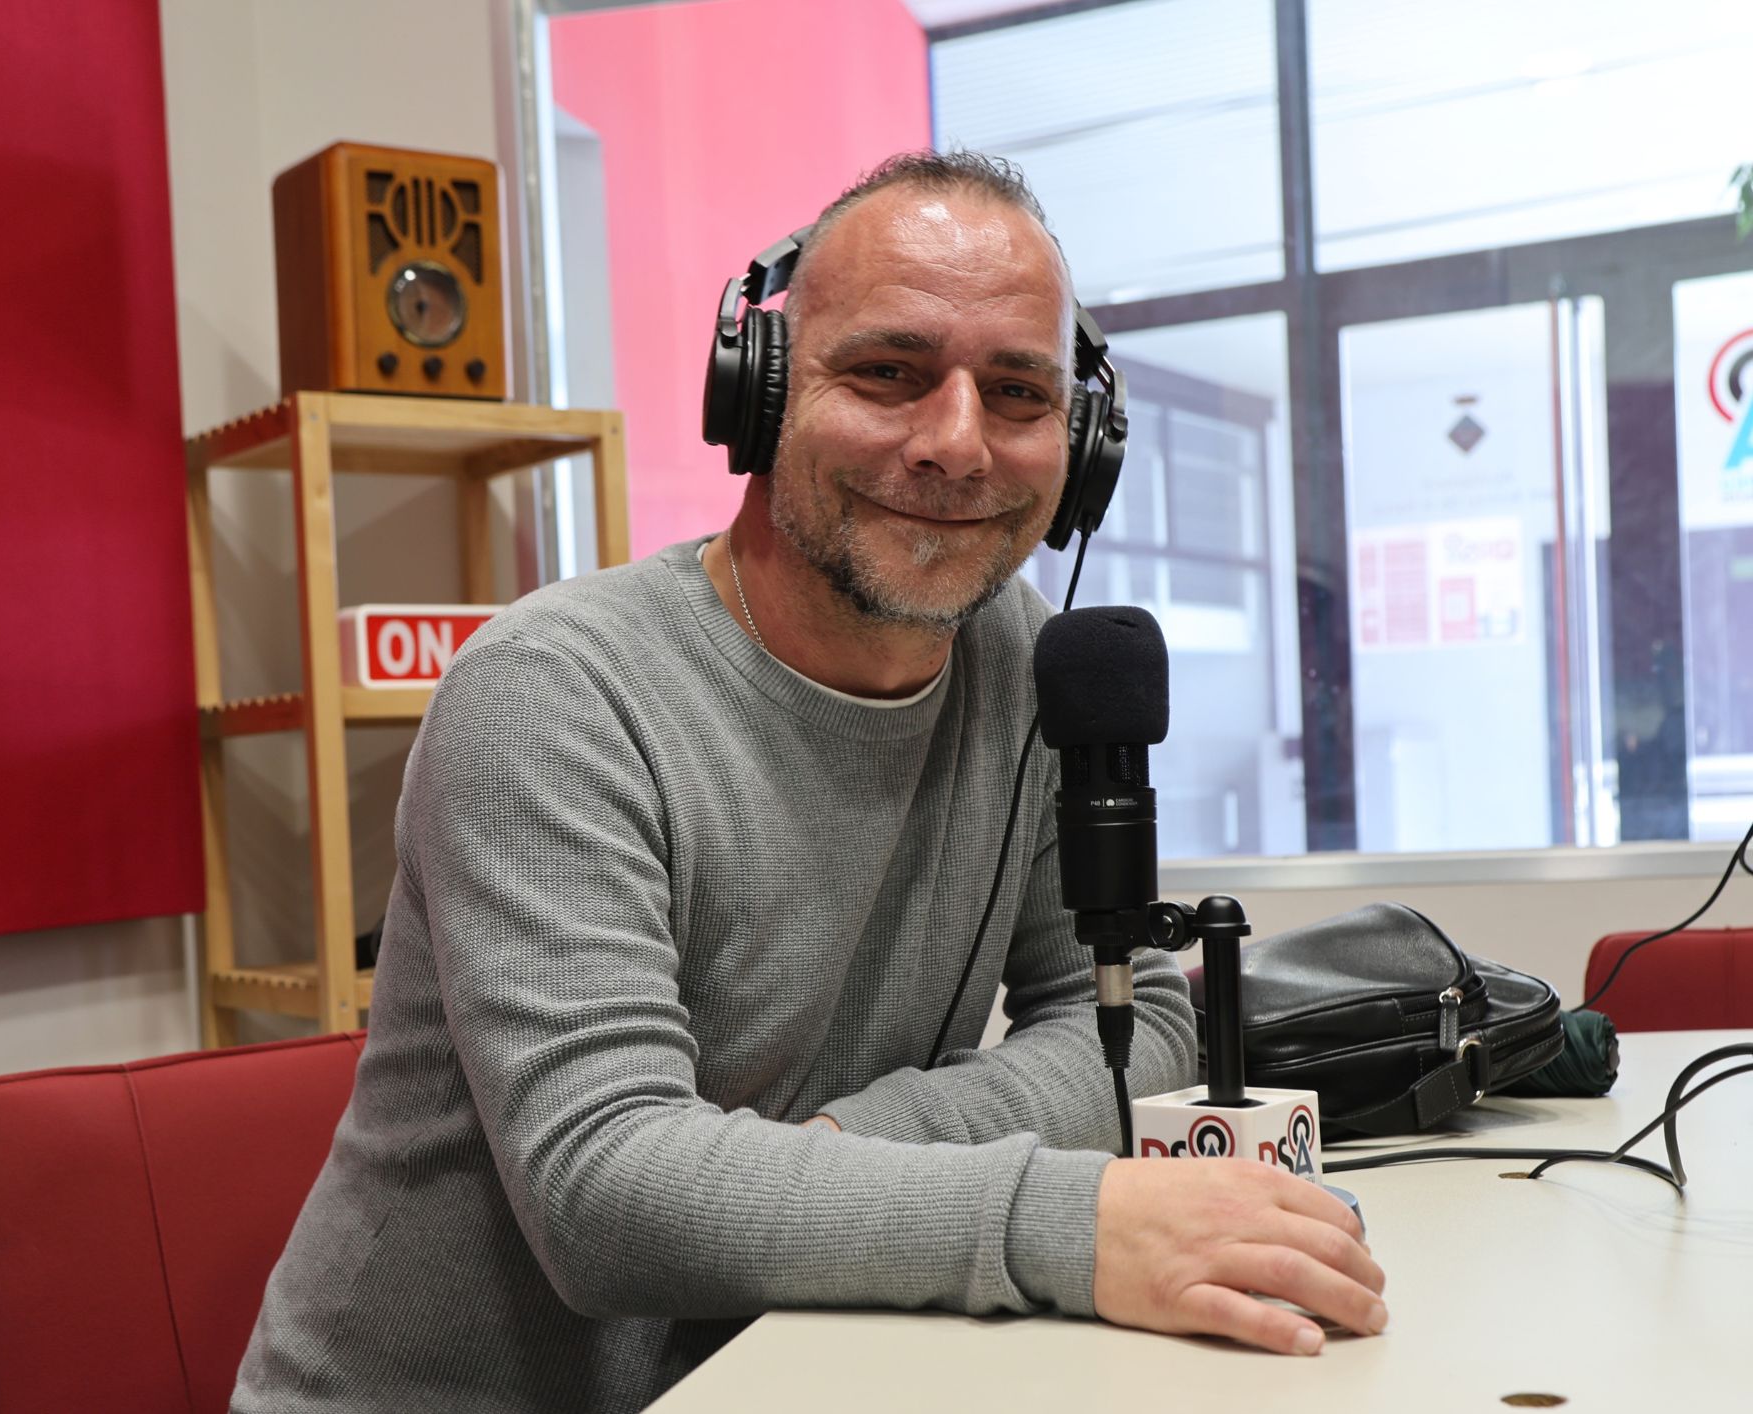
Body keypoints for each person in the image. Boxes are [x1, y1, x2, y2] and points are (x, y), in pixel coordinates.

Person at [231, 151, 1386, 1414]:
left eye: (1016, 393)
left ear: (1082, 444)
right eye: (887, 373)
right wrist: (1073, 1220)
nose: (956, 444)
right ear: (762, 391)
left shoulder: (1018, 661)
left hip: (791, 1365)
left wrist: (844, 1151)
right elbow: (603, 1193)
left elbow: (1135, 1024)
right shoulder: (552, 692)